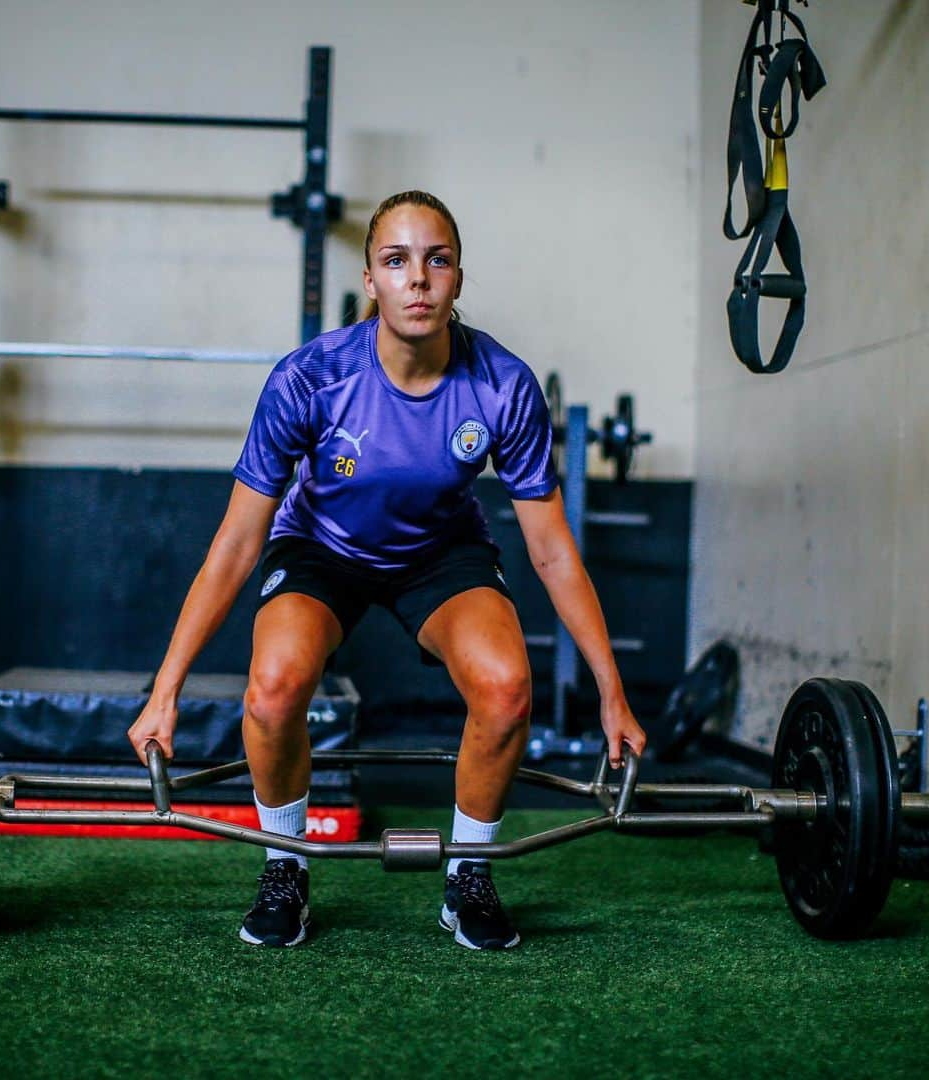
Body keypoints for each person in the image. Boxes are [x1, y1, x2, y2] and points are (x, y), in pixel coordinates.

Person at [128, 190, 647, 950]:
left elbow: (551, 549)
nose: (419, 279)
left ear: (459, 279)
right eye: (396, 261)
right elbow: (238, 542)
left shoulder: (502, 385)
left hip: (441, 554)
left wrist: (613, 693)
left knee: (505, 688)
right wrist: (164, 692)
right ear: (371, 280)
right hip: (320, 549)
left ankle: (468, 874)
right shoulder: (310, 378)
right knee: (272, 690)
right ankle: (286, 867)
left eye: (437, 261)